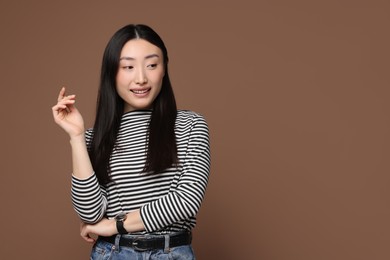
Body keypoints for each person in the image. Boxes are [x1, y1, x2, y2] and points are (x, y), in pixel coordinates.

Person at [51, 24, 210, 259]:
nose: (141, 78)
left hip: (171, 253)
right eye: (128, 67)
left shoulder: (190, 125)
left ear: (164, 68)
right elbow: (92, 213)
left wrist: (116, 225)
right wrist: (76, 137)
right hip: (112, 253)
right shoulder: (94, 138)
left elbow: (186, 200)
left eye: (152, 65)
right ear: (112, 73)